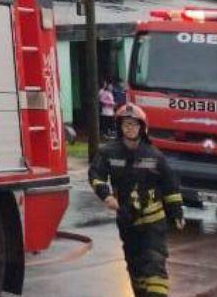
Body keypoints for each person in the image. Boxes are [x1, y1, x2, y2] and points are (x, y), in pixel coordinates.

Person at [88, 103, 185, 297]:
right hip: (127, 219)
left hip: (153, 220)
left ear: (142, 127)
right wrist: (105, 195)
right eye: (126, 124)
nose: (130, 128)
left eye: (133, 124)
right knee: (135, 265)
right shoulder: (109, 152)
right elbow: (96, 174)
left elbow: (170, 185)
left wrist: (176, 212)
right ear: (120, 127)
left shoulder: (154, 155)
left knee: (155, 261)